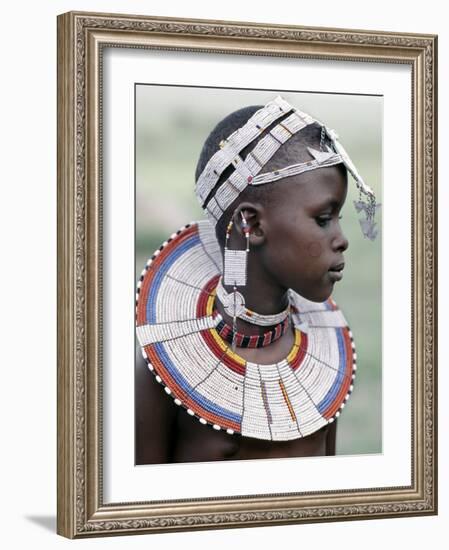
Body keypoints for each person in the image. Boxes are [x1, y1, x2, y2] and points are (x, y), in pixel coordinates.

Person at [135, 95, 379, 464]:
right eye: (324, 218)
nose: (342, 239)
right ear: (250, 224)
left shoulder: (329, 362)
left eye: (339, 217)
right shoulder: (158, 370)